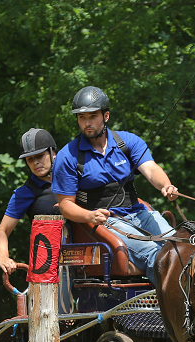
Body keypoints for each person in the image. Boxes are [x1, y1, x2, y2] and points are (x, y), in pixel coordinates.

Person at [51, 86, 178, 284]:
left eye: (92, 116)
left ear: (106, 116)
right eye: (82, 117)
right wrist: (90, 216)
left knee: (180, 245)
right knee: (156, 255)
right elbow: (65, 204)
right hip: (106, 222)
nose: (87, 123)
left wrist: (166, 185)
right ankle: (169, 310)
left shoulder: (127, 142)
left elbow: (151, 169)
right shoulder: (68, 156)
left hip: (139, 214)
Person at [0, 128, 59, 274]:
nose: (36, 163)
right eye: (30, 159)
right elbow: (2, 231)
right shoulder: (24, 193)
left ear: (53, 153)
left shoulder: (73, 179)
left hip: (84, 255)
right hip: (47, 266)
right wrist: (3, 257)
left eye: (40, 156)